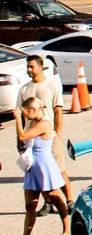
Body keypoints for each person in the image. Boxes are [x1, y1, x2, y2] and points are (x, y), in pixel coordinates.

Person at [15, 54, 73, 214]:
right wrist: (18, 140)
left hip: (49, 136)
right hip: (31, 139)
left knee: (59, 169)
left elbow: (58, 110)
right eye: (27, 66)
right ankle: (48, 203)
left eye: (32, 66)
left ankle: (69, 200)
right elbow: (19, 115)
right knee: (37, 170)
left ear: (41, 67)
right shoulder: (24, 89)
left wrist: (58, 134)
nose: (29, 70)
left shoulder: (51, 85)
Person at [13, 93, 70, 235]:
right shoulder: (33, 123)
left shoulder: (44, 123)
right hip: (33, 168)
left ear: (33, 110)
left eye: (26, 113)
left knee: (56, 199)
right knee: (30, 205)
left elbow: (23, 136)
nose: (25, 116)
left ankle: (67, 231)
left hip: (45, 167)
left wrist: (18, 118)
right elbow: (24, 140)